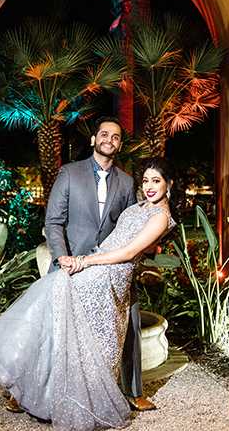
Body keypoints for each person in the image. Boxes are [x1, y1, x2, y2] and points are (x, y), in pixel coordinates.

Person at [0, 157, 182, 431]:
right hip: (98, 267)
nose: (149, 186)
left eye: (156, 181)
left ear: (169, 184)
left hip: (108, 277)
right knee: (61, 323)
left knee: (84, 336)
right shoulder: (142, 206)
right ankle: (20, 379)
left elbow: (128, 253)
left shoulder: (162, 216)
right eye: (146, 180)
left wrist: (83, 261)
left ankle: (34, 385)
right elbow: (139, 245)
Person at [44, 116, 154, 412]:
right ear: (94, 140)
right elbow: (53, 222)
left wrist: (133, 261)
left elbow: (131, 226)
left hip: (112, 268)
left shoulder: (127, 181)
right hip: (72, 264)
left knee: (130, 319)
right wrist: (61, 256)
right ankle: (33, 388)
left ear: (119, 144)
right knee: (54, 329)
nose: (109, 139)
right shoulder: (69, 173)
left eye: (115, 136)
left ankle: (133, 391)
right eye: (104, 134)